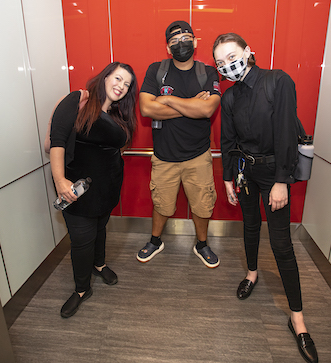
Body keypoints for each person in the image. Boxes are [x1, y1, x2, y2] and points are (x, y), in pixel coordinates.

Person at [213, 33, 318, 363]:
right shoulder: (229, 99)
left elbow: (287, 131)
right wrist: (228, 178)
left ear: (247, 52)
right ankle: (252, 273)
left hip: (275, 173)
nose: (227, 65)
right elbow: (228, 141)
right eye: (220, 62)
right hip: (245, 171)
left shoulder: (278, 81)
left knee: (282, 244)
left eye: (231, 56)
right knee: (249, 224)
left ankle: (297, 318)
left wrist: (282, 181)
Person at [49, 62, 138, 318]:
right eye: (118, 78)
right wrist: (59, 180)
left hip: (107, 188)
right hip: (77, 191)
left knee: (100, 229)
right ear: (105, 76)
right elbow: (56, 141)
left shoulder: (119, 115)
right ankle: (81, 289)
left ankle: (99, 265)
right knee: (81, 241)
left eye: (127, 84)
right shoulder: (78, 100)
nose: (121, 86)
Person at [137, 20, 222, 268]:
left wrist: (166, 101)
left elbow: (207, 109)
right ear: (167, 47)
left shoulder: (208, 72)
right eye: (174, 41)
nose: (180, 44)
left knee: (202, 204)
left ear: (195, 42)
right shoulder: (157, 70)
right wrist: (188, 104)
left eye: (185, 38)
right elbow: (145, 108)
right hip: (164, 156)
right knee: (162, 203)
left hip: (198, 156)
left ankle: (202, 244)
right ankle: (155, 240)